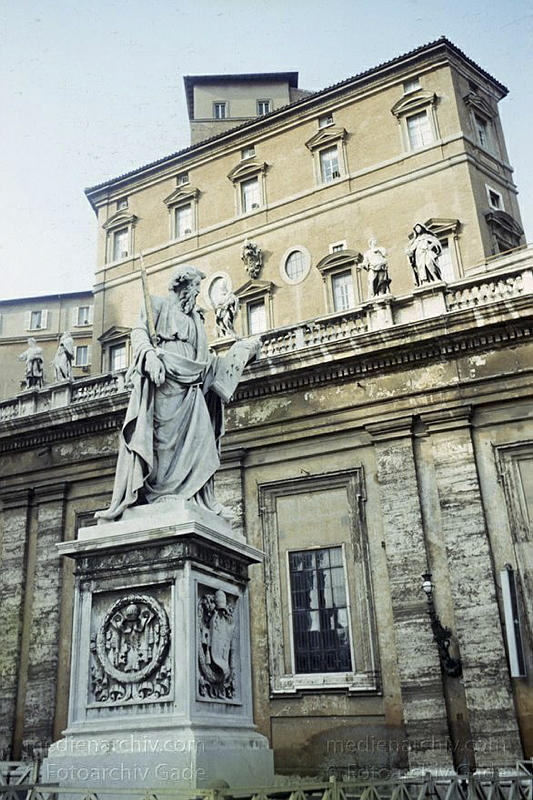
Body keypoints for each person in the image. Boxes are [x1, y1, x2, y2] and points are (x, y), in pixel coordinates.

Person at [96, 265, 260, 522]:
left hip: (192, 388)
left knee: (203, 441)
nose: (197, 293)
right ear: (183, 286)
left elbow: (204, 361)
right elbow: (139, 333)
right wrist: (149, 355)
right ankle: (161, 493)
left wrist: (240, 354)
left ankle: (200, 498)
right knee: (162, 443)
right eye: (195, 287)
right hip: (164, 383)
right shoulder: (157, 305)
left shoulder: (195, 320)